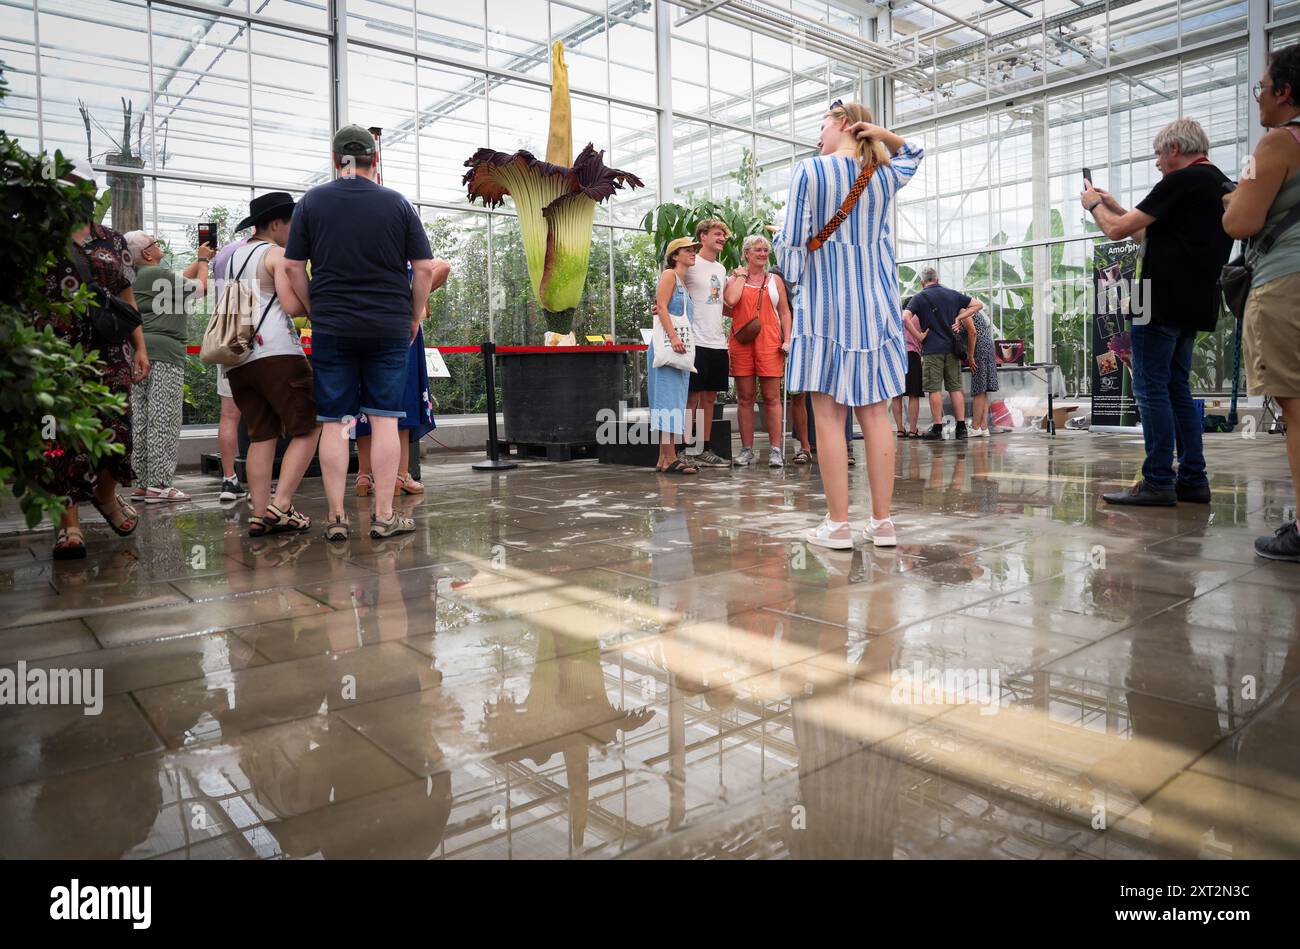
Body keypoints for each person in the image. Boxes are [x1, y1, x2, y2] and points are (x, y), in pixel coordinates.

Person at [773, 101, 924, 549]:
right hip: (875, 303)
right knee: (877, 414)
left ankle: (838, 525)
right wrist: (880, 134)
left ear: (842, 123)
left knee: (829, 415)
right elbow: (913, 151)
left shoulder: (809, 171)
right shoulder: (882, 173)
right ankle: (882, 523)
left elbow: (795, 249)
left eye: (821, 124)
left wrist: (785, 248)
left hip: (825, 305)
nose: (817, 135)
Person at [283, 125, 437, 540]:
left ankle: (336, 517)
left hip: (333, 325)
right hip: (388, 326)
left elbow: (293, 266)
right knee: (386, 419)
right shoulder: (397, 204)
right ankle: (384, 516)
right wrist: (414, 313)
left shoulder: (312, 203)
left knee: (334, 420)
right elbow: (424, 268)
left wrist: (316, 307)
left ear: (336, 160)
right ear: (376, 159)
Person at [1084, 117, 1233, 506]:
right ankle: (1193, 479)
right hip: (1195, 304)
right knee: (1176, 390)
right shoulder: (1219, 184)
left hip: (1159, 302)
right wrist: (1115, 204)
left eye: (1158, 155)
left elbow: (1115, 231)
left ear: (1173, 149)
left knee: (1149, 390)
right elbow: (1148, 233)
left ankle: (1157, 481)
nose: (1157, 164)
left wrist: (1095, 206)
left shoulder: (1180, 181)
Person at [42, 160, 150, 559]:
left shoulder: (112, 240)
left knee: (117, 433)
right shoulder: (43, 240)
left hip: (110, 353)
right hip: (55, 355)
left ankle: (106, 496)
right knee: (56, 439)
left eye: (80, 187)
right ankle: (68, 524)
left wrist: (140, 347)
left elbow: (125, 296)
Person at [1224, 43, 1300, 561]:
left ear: (1285, 92)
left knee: (1297, 408)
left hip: (1287, 282)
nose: (1258, 99)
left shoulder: (1274, 144)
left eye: (1262, 88)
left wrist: (1234, 199)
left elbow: (1240, 222)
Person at [222, 192, 321, 536]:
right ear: (277, 224)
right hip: (277, 354)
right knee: (309, 427)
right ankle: (280, 505)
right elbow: (292, 307)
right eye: (292, 225)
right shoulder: (276, 254)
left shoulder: (234, 257)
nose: (295, 232)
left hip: (238, 360)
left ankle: (259, 512)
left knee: (261, 435)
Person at [124, 230, 214, 502]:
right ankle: (161, 484)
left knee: (142, 418)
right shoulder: (155, 275)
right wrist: (205, 262)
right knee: (164, 418)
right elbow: (201, 289)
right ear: (148, 254)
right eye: (155, 243)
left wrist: (198, 260)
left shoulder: (138, 276)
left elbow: (181, 281)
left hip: (140, 353)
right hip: (164, 354)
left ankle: (142, 481)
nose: (159, 244)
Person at [354, 264, 450, 497]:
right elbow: (443, 267)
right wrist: (411, 299)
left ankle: (364, 475)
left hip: (363, 329)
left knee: (364, 399)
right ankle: (400, 475)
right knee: (403, 399)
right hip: (403, 331)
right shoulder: (404, 255)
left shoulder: (360, 255)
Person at [724, 234, 793, 467]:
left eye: (765, 250)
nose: (763, 254)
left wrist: (788, 339)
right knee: (745, 398)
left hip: (770, 343)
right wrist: (740, 277)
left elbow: (784, 312)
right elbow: (727, 305)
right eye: (757, 250)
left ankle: (775, 449)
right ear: (746, 254)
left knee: (772, 397)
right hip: (741, 342)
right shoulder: (735, 277)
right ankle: (746, 450)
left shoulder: (775, 280)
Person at [681, 218, 731, 468]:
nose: (722, 238)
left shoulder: (721, 270)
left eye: (723, 235)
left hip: (717, 341)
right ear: (702, 236)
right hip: (695, 339)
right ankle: (683, 448)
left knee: (710, 397)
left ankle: (704, 448)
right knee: (692, 397)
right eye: (716, 234)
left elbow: (722, 304)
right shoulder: (691, 263)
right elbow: (671, 290)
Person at [648, 237, 700, 474]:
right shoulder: (669, 275)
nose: (693, 252)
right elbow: (661, 306)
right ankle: (670, 457)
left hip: (678, 351)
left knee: (673, 401)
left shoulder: (683, 283)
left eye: (693, 250)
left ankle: (663, 457)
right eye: (687, 250)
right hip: (670, 347)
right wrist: (674, 337)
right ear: (675, 256)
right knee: (668, 401)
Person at [906, 267, 977, 441]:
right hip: (952, 349)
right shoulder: (952, 294)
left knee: (934, 389)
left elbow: (905, 317)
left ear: (922, 282)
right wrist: (960, 318)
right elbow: (978, 304)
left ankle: (937, 428)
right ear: (937, 279)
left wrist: (919, 336)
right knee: (955, 388)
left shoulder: (918, 298)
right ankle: (961, 428)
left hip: (932, 350)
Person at [211, 234, 255, 502]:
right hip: (257, 338)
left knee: (229, 414)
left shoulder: (225, 253)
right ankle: (260, 483)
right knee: (263, 415)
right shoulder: (267, 253)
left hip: (227, 337)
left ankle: (229, 480)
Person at [954, 305, 998, 437]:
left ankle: (975, 426)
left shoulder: (962, 311)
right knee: (983, 388)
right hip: (987, 347)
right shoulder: (971, 310)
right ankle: (984, 427)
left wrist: (971, 355)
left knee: (979, 388)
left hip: (979, 348)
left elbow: (972, 332)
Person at [891, 294, 926, 438]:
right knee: (913, 394)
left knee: (896, 395)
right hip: (912, 355)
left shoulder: (895, 317)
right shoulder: (918, 318)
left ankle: (900, 429)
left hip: (895, 356)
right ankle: (913, 430)